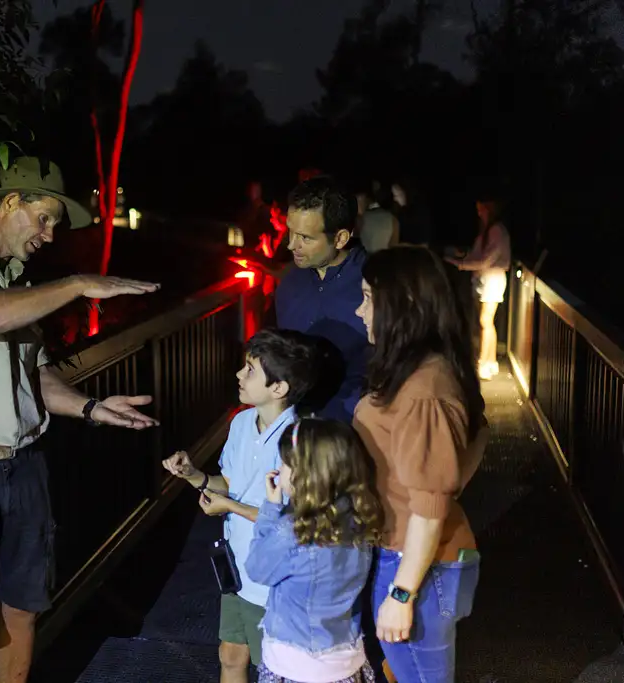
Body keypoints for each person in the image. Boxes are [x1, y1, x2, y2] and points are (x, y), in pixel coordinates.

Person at [0, 156, 162, 683]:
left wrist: (90, 407)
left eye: (54, 227)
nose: (48, 235)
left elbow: (34, 377)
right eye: (43, 219)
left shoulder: (16, 280)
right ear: (10, 201)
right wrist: (78, 283)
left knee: (22, 609)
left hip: (22, 467)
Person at [352, 247, 490, 683]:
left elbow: (430, 508)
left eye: (369, 298)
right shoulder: (421, 371)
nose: (360, 310)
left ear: (405, 305)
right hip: (409, 554)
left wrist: (402, 593)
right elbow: (478, 438)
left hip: (419, 564)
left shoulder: (424, 388)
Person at [162, 328, 318, 683]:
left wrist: (229, 508)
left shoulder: (299, 438)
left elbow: (293, 520)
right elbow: (230, 485)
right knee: (230, 653)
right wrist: (193, 475)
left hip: (272, 579)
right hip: (237, 566)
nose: (238, 375)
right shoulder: (242, 422)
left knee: (273, 669)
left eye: (250, 370)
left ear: (279, 388)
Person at [246, 419, 383, 683]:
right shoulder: (359, 520)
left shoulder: (293, 531)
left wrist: (270, 510)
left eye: (285, 463)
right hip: (345, 660)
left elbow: (256, 568)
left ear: (303, 473)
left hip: (294, 665)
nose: (279, 469)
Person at [275, 176, 369, 423]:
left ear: (340, 238)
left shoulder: (375, 284)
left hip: (355, 431)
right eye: (290, 232)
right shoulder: (289, 284)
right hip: (295, 428)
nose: (291, 245)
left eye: (305, 238)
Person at [445, 197, 512, 380]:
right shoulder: (488, 231)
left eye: (482, 209)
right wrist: (461, 255)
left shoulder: (497, 230)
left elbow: (485, 260)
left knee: (485, 320)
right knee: (486, 322)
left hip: (493, 279)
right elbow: (477, 255)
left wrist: (458, 263)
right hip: (484, 279)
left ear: (490, 210)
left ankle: (485, 362)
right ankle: (489, 362)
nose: (479, 213)